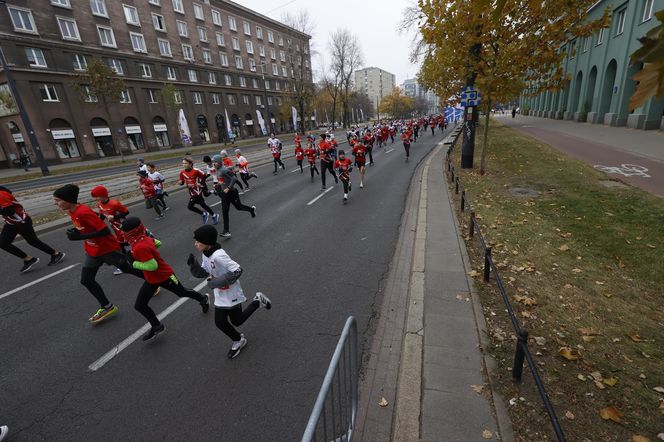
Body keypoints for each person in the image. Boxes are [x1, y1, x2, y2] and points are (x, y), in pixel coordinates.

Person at [53, 184, 144, 324]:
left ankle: (155, 280)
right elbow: (89, 227)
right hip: (92, 250)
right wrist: (78, 231)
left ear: (68, 200)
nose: (55, 203)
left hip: (107, 249)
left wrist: (79, 237)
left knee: (128, 268)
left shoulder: (83, 211)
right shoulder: (72, 211)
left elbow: (104, 231)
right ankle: (107, 307)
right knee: (86, 280)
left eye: (58, 200)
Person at [188, 225, 271, 359]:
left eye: (198, 241)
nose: (195, 244)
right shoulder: (205, 254)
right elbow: (206, 271)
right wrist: (194, 268)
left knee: (237, 321)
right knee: (220, 322)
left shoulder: (219, 255)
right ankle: (238, 340)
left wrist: (216, 282)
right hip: (220, 294)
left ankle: (257, 301)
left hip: (232, 293)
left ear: (207, 241)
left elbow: (238, 270)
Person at [121, 217, 210, 342]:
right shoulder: (141, 239)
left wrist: (134, 263)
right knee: (140, 305)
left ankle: (203, 298)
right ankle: (157, 326)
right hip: (152, 279)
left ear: (131, 232)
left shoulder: (140, 246)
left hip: (165, 276)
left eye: (125, 232)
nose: (123, 234)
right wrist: (150, 248)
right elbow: (158, 243)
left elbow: (153, 266)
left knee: (182, 292)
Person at [0, 185, 65, 273]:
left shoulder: (1, 195)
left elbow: (10, 211)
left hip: (21, 222)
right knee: (3, 243)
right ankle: (28, 259)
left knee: (33, 241)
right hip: (11, 223)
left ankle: (56, 254)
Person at [212, 154, 255, 238]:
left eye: (215, 162)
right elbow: (223, 181)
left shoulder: (224, 170)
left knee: (239, 207)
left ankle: (251, 210)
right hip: (224, 194)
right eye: (213, 162)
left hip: (232, 192)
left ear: (220, 162)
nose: (214, 163)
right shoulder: (217, 170)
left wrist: (228, 187)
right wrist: (217, 185)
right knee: (224, 211)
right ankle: (226, 231)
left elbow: (234, 178)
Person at [91, 185, 130, 276]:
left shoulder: (114, 203)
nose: (96, 199)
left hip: (122, 225)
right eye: (95, 197)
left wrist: (115, 217)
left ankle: (127, 261)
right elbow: (102, 216)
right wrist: (97, 224)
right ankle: (126, 261)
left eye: (97, 196)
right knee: (121, 244)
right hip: (114, 227)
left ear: (103, 195)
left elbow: (126, 212)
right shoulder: (99, 204)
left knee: (124, 243)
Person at [178, 157, 218, 225]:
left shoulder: (195, 171)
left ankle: (204, 214)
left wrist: (201, 183)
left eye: (185, 163)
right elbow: (182, 182)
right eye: (183, 163)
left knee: (190, 206)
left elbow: (203, 177)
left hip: (197, 191)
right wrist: (180, 182)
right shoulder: (182, 172)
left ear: (190, 164)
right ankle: (214, 215)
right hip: (191, 191)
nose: (184, 164)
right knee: (203, 205)